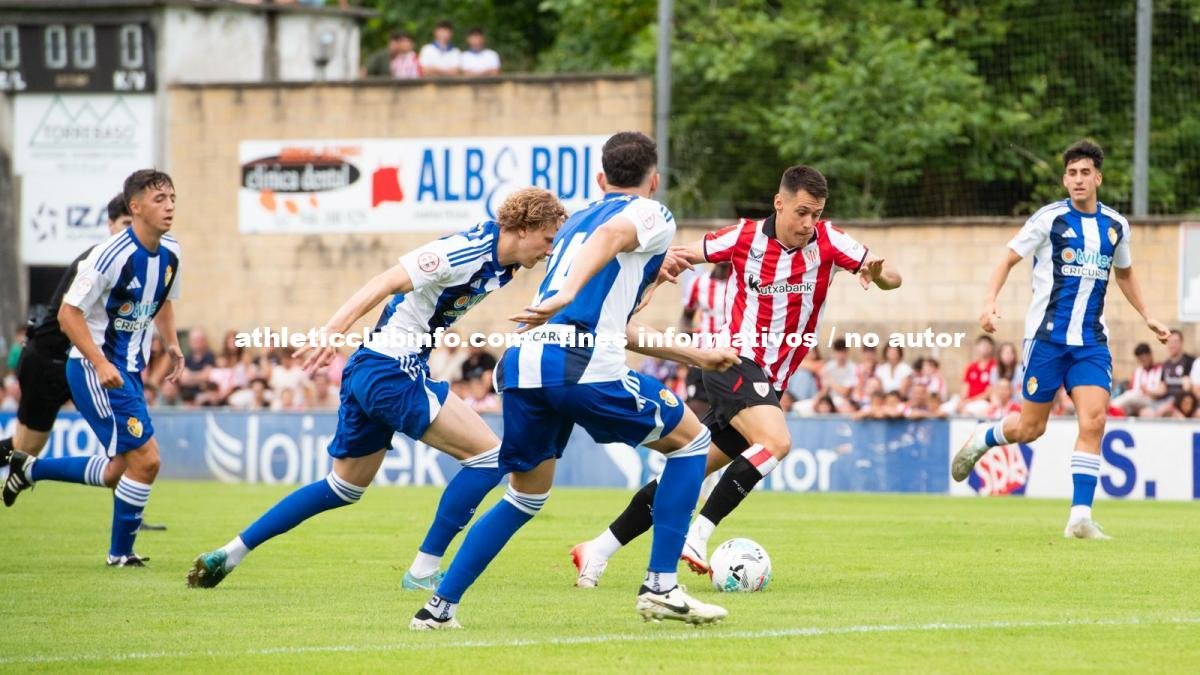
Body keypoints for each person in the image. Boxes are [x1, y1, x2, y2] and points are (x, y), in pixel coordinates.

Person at [409, 131, 740, 630]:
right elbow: (610, 246)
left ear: (600, 178)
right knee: (693, 443)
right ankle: (661, 586)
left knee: (525, 496)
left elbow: (619, 326)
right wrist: (566, 292)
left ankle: (437, 609)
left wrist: (696, 354)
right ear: (654, 179)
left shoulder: (573, 223)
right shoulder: (651, 214)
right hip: (577, 363)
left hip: (525, 365)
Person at [186, 187, 568, 591]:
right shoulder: (464, 250)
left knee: (343, 487)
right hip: (392, 368)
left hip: (374, 367)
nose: (548, 251)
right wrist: (332, 331)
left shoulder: (504, 266)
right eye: (547, 240)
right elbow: (385, 281)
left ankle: (229, 554)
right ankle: (422, 572)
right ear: (523, 228)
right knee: (489, 458)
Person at [570, 164, 902, 587]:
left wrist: (877, 272)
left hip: (771, 381)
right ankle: (698, 534)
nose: (809, 223)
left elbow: (892, 277)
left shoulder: (831, 242)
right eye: (801, 212)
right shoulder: (743, 236)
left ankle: (598, 548)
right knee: (777, 442)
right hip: (733, 362)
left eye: (816, 214)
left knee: (687, 471)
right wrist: (651, 274)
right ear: (779, 203)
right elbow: (685, 253)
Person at [951, 140, 1170, 539]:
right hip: (1047, 341)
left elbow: (1124, 274)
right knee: (1030, 429)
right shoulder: (1048, 219)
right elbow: (1007, 259)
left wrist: (1149, 316)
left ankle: (1079, 518)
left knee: (1095, 419)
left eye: (1085, 172)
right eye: (1072, 173)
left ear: (1098, 178)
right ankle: (985, 437)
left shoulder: (1116, 226)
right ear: (1064, 179)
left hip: (1091, 342)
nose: (1078, 179)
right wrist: (988, 302)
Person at [2, 170, 185, 566]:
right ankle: (120, 554)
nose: (169, 205)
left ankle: (30, 469)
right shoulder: (107, 256)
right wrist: (100, 362)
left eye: (172, 197)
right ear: (134, 207)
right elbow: (69, 315)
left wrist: (171, 345)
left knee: (118, 470)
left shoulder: (171, 252)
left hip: (130, 371)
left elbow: (164, 299)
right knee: (148, 461)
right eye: (159, 199)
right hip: (93, 370)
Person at [0, 195, 132, 462]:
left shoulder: (130, 264)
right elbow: (68, 316)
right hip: (48, 361)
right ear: (110, 225)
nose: (129, 231)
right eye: (125, 223)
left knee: (25, 449)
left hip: (77, 363)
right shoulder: (99, 260)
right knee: (24, 449)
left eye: (134, 223)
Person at [1111, 343, 1161, 416]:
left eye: (1144, 359)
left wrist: (1148, 391)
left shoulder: (1160, 370)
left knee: (1129, 397)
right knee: (1125, 406)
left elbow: (1161, 390)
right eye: (1140, 360)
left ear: (1150, 355)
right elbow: (1134, 390)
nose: (1143, 362)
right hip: (1136, 400)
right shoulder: (1138, 371)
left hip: (1151, 400)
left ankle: (1110, 406)